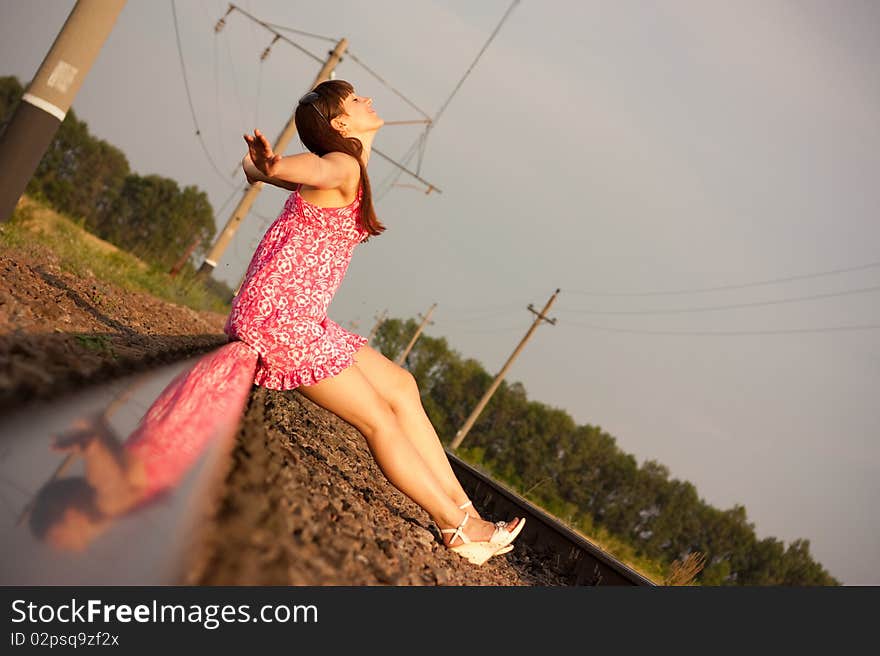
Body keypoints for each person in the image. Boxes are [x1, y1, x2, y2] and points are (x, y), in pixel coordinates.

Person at [225, 79, 524, 565]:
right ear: (341, 124)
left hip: (296, 315)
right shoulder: (341, 165)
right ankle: (457, 527)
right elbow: (313, 165)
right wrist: (276, 165)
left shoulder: (349, 164)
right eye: (356, 100)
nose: (368, 101)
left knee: (401, 387)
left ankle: (465, 509)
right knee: (379, 420)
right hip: (281, 320)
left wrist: (263, 166)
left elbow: (259, 167)